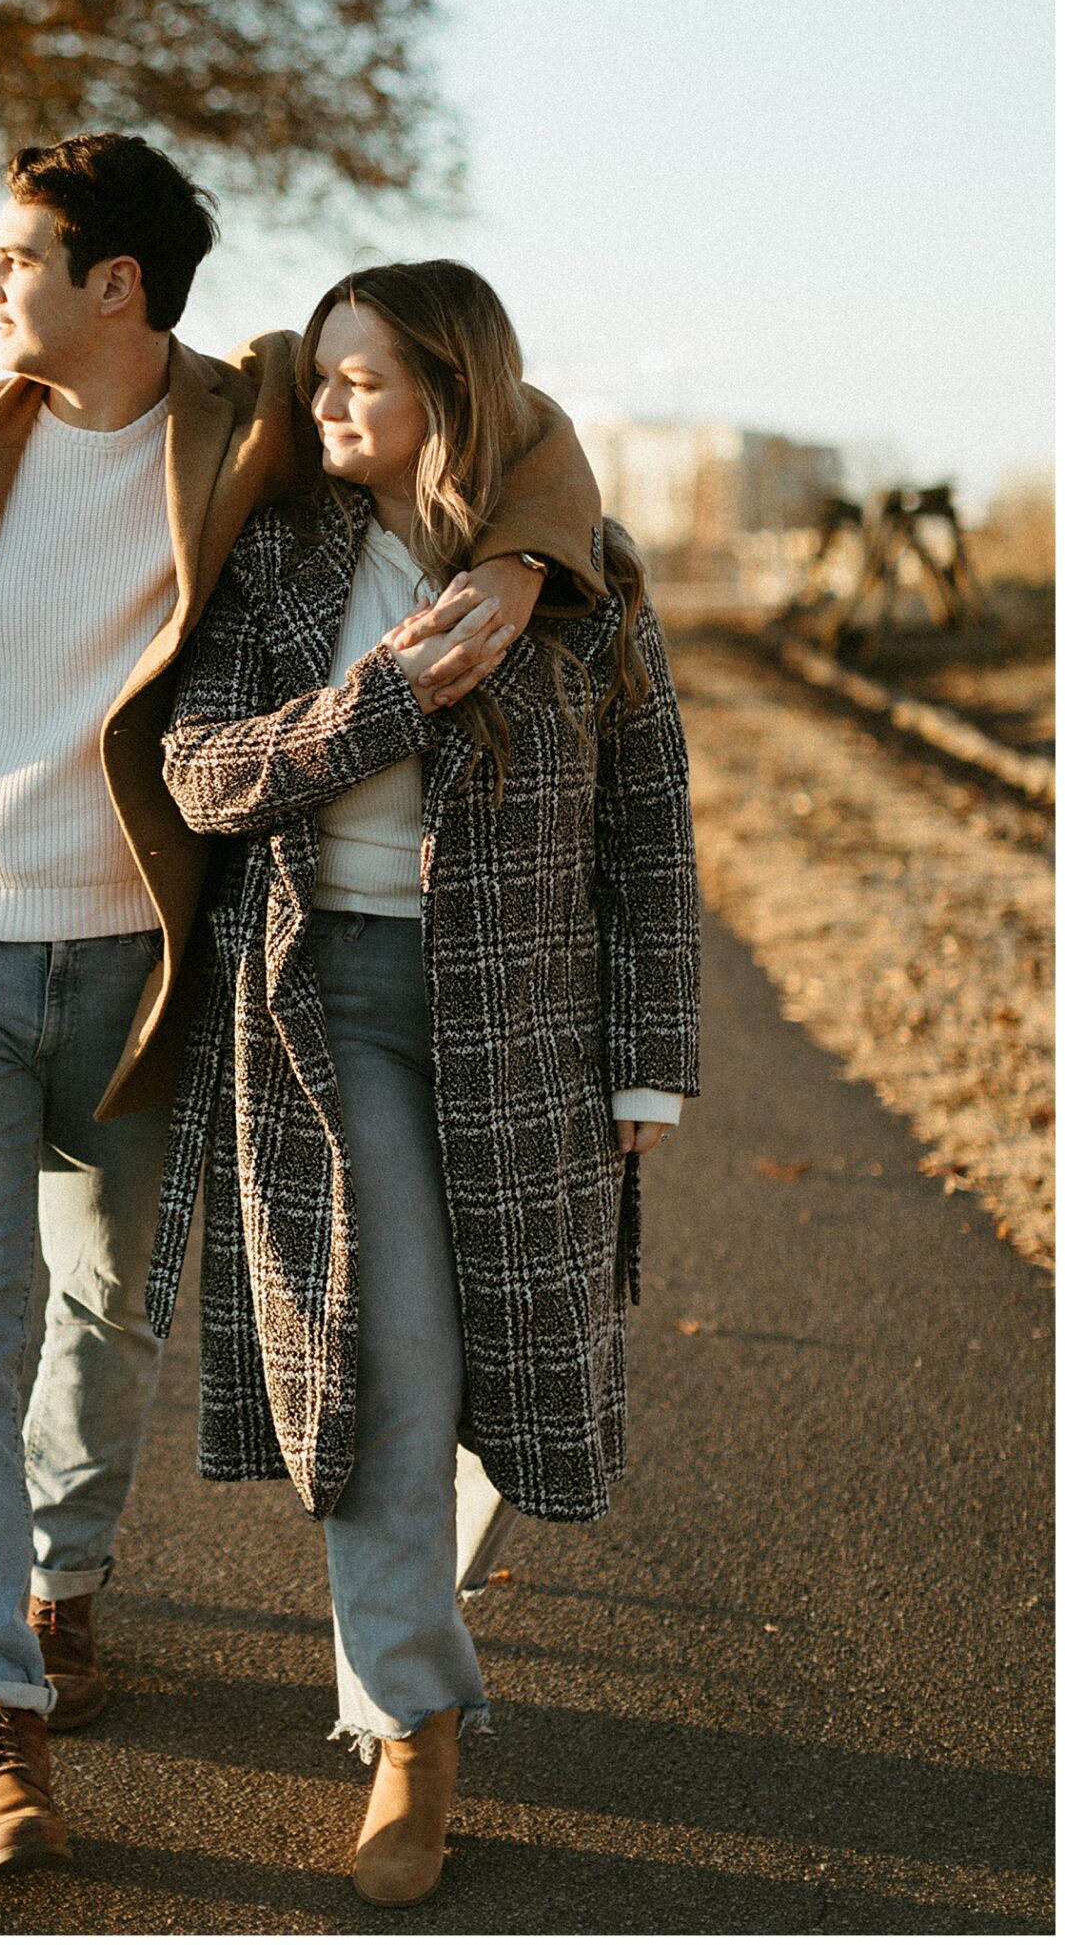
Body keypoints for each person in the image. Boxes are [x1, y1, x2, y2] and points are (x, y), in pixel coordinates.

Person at [0, 138, 607, 1883]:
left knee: (106, 1314)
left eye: (13, 260)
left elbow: (511, 421)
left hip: (153, 969)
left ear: (116, 285)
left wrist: (523, 570)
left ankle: (65, 1587)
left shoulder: (263, 422)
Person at [146, 258, 700, 1908]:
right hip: (330, 1010)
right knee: (387, 1356)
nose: (324, 405)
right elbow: (198, 769)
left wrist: (648, 1064)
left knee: (483, 1368)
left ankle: (404, 1647)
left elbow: (646, 826)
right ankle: (410, 1726)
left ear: (448, 388)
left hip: (523, 1017)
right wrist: (373, 700)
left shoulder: (588, 576)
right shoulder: (283, 557)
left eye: (358, 378)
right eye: (318, 374)